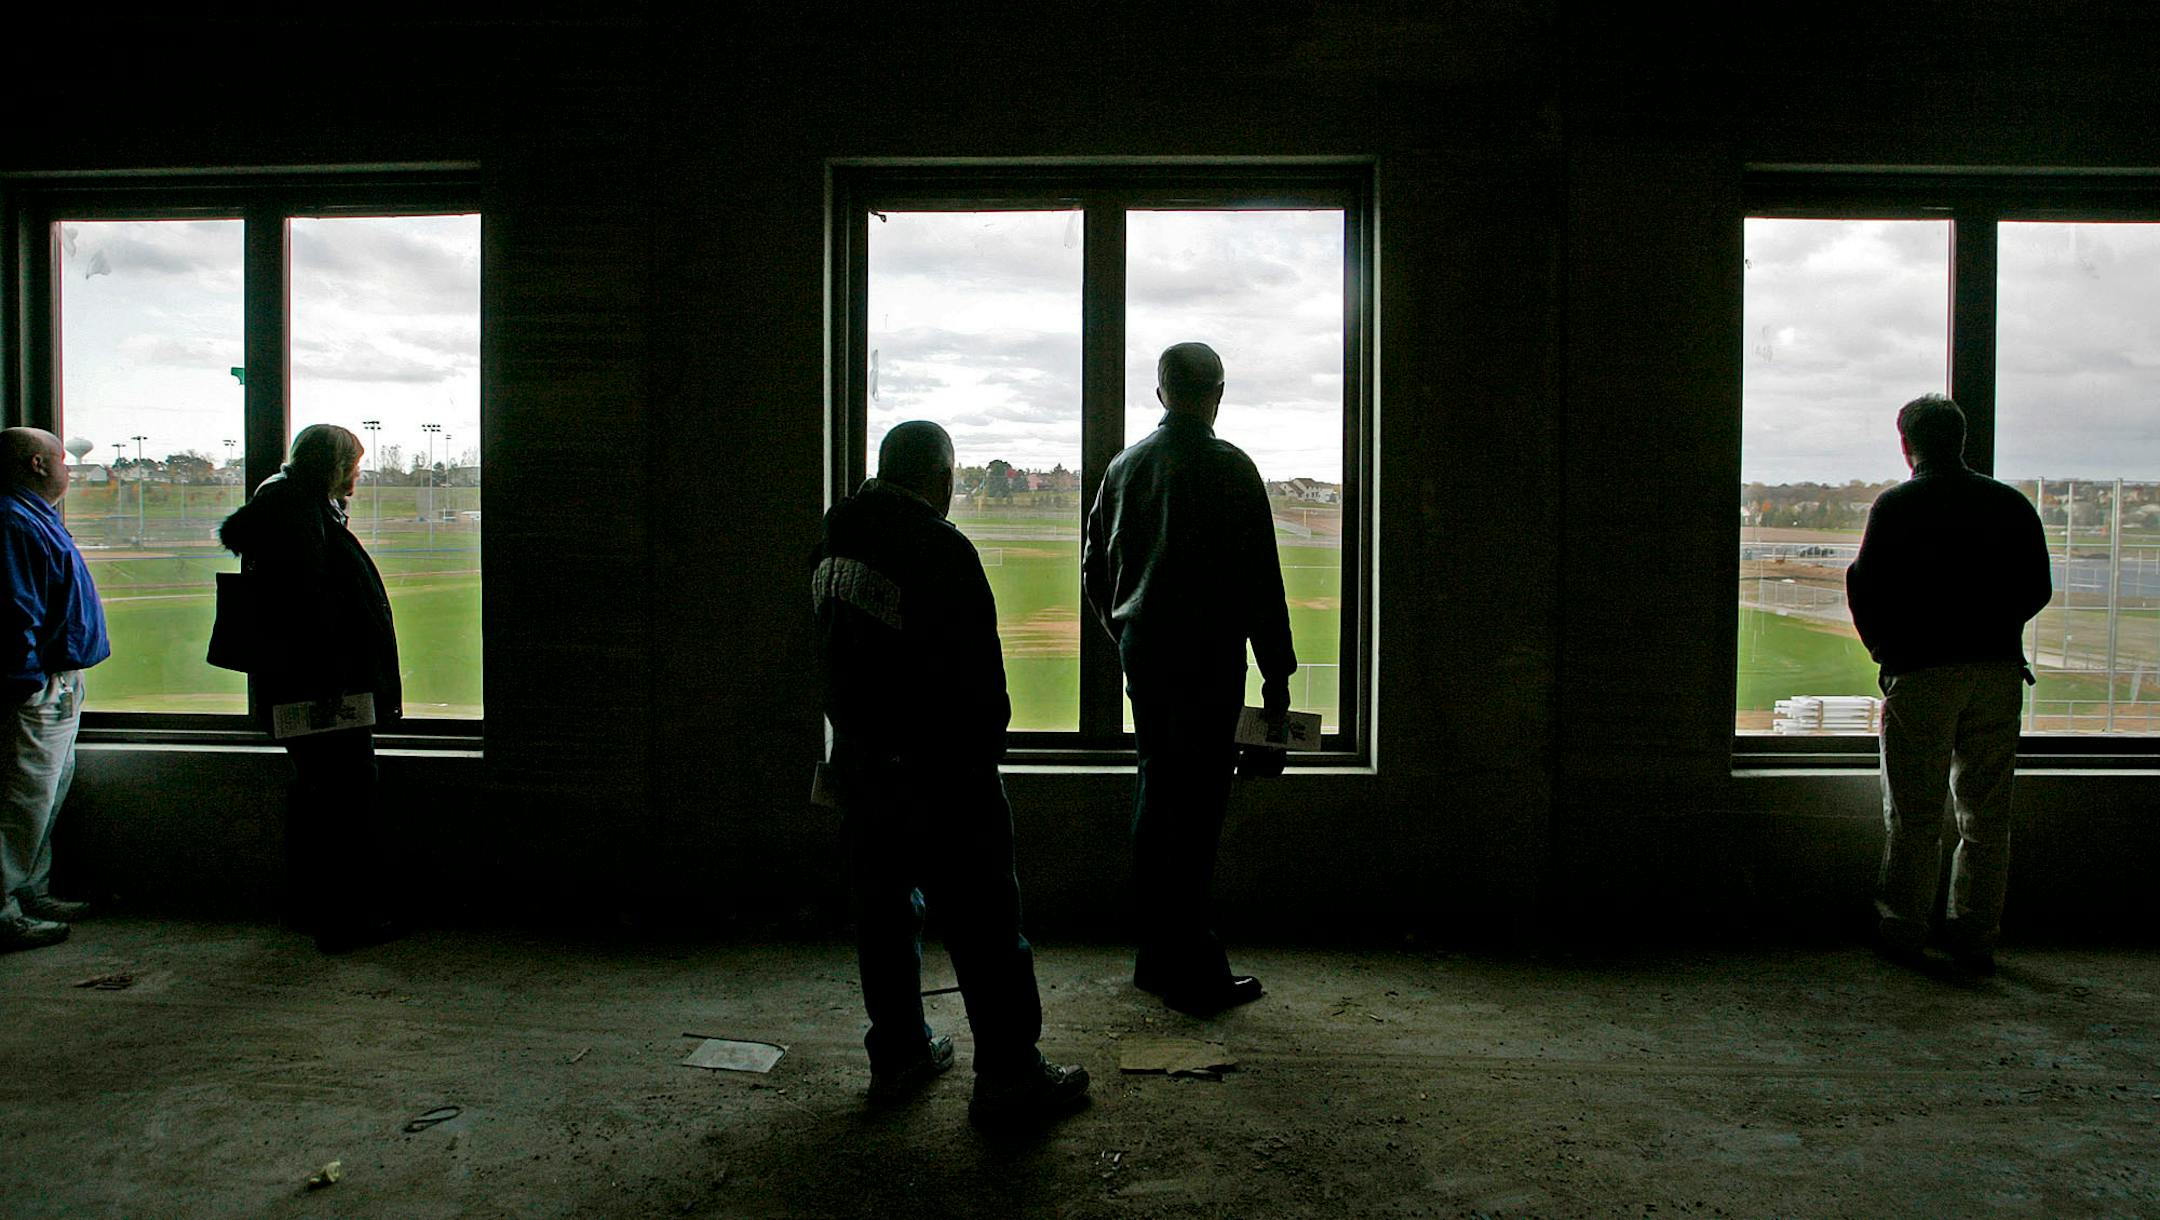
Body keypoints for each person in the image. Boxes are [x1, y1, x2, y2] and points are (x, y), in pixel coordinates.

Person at [812, 420, 1089, 1122]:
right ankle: (1008, 1076)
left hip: (862, 764)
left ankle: (900, 1054)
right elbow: (977, 683)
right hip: (942, 773)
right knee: (988, 927)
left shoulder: (835, 536)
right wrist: (979, 762)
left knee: (882, 915)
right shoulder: (940, 549)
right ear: (940, 477)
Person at [1083, 342, 1296, 1015]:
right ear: (1219, 393)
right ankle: (1195, 969)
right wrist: (1277, 678)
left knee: (1157, 789)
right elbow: (1260, 580)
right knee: (1198, 808)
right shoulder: (1230, 467)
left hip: (1146, 650)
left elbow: (1094, 569)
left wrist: (1126, 637)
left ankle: (1155, 957)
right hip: (1206, 654)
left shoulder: (1123, 466)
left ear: (1160, 393)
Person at [1846, 394, 2052, 974]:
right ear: (1960, 441)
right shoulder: (2009, 504)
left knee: (1913, 814)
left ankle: (1904, 927)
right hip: (1995, 671)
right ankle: (1975, 931)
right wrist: (1992, 628)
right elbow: (2037, 587)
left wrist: (1887, 651)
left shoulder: (1897, 506)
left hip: (1921, 672)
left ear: (1907, 444)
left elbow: (1865, 584)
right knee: (1986, 814)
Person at [218, 424, 402, 953]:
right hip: (321, 687)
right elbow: (309, 607)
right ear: (334, 465)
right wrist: (335, 682)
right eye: (353, 465)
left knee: (321, 794)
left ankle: (317, 909)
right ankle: (345, 921)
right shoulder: (297, 511)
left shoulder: (285, 502)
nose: (358, 475)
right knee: (344, 798)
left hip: (308, 682)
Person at [0, 428, 110, 952]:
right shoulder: (10, 519)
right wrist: (26, 684)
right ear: (38, 465)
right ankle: (1, 908)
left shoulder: (29, 516)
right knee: (20, 800)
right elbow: (12, 611)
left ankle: (27, 892)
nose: (70, 468)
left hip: (55, 683)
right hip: (34, 689)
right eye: (61, 459)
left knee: (43, 796)